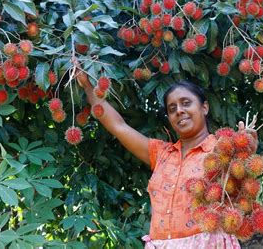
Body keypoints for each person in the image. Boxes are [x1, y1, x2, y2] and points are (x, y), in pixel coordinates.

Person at [76, 64, 251, 248]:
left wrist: (246, 147)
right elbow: (118, 126)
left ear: (204, 107)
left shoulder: (222, 149)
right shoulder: (161, 154)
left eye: (186, 103)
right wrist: (87, 85)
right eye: (172, 108)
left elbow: (244, 184)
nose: (179, 111)